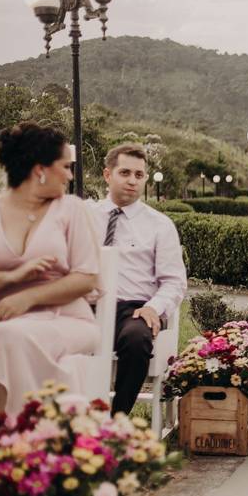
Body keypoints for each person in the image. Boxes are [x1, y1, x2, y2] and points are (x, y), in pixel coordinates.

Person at [0, 122, 100, 415]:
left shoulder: (72, 209)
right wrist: (12, 277)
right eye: (65, 166)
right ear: (40, 169)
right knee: (2, 335)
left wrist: (27, 297)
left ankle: (16, 435)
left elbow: (87, 278)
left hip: (66, 320)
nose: (70, 175)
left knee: (8, 337)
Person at [89, 144, 188, 415]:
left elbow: (174, 281)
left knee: (136, 340)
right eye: (125, 172)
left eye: (139, 174)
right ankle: (70, 417)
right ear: (108, 175)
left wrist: (153, 308)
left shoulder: (159, 225)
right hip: (88, 306)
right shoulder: (87, 217)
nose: (133, 180)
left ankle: (116, 419)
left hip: (134, 310)